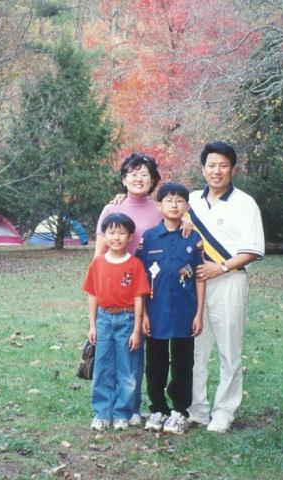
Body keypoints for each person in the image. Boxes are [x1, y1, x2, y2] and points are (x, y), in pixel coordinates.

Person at [187, 141, 265, 433]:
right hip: (194, 286)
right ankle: (196, 409)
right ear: (202, 169)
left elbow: (252, 250)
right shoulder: (190, 200)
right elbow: (158, 208)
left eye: (223, 165)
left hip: (229, 282)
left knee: (229, 350)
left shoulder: (245, 203)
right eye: (211, 165)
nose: (216, 171)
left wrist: (219, 267)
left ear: (233, 169)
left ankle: (224, 412)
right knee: (194, 348)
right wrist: (121, 197)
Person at [94, 153, 163, 426]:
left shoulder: (159, 209)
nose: (138, 178)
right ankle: (108, 409)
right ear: (124, 179)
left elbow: (178, 222)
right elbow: (99, 255)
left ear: (153, 180)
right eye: (133, 174)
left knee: (135, 350)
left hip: (152, 287)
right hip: (117, 293)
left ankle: (131, 407)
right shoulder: (112, 209)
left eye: (144, 174)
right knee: (111, 355)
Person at [137, 182, 205, 435]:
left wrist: (198, 313)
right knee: (155, 362)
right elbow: (141, 278)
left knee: (183, 363)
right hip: (156, 312)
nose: (174, 205)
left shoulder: (193, 238)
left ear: (186, 206)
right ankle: (158, 408)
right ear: (159, 205)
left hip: (185, 312)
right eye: (169, 200)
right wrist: (143, 314)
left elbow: (200, 277)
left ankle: (179, 411)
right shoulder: (149, 237)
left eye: (179, 201)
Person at [82, 213, 151, 432]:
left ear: (130, 237)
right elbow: (92, 295)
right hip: (104, 319)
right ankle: (102, 413)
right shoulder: (98, 264)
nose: (116, 237)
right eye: (111, 232)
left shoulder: (135, 265)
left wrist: (136, 330)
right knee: (102, 367)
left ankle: (122, 412)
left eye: (121, 233)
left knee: (127, 369)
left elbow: (139, 298)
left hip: (127, 320)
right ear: (104, 236)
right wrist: (92, 325)